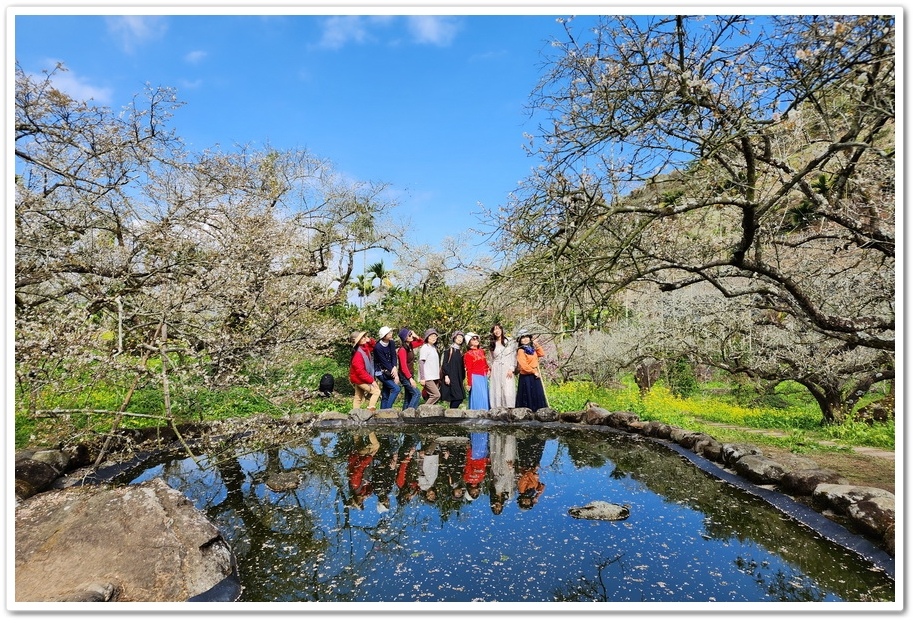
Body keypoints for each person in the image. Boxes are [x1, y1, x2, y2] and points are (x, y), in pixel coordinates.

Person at [514, 330, 548, 411]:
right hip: (526, 377)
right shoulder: (521, 350)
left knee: (537, 395)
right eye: (523, 338)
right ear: (520, 340)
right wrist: (534, 371)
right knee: (528, 397)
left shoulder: (531, 349)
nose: (525, 339)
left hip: (534, 375)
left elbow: (541, 354)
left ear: (530, 338)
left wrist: (536, 344)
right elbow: (524, 365)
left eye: (527, 337)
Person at [349, 330, 381, 412]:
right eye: (362, 337)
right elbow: (360, 372)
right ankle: (371, 410)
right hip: (359, 379)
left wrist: (369, 340)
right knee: (376, 391)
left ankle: (355, 413)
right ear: (357, 341)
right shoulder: (358, 355)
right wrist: (372, 381)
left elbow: (374, 346)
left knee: (358, 397)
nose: (364, 338)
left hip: (359, 378)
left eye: (364, 336)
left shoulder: (364, 348)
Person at [488, 324, 517, 408]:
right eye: (494, 329)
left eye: (498, 329)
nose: (497, 331)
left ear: (501, 330)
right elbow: (491, 359)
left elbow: (513, 355)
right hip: (496, 367)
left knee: (508, 387)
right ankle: (497, 407)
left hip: (507, 366)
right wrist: (490, 369)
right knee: (497, 387)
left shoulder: (509, 341)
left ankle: (509, 406)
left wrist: (512, 368)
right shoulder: (492, 344)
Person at [373, 326, 401, 410]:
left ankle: (382, 412)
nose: (391, 334)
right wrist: (395, 374)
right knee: (396, 388)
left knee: (385, 393)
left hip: (390, 370)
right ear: (384, 336)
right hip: (380, 371)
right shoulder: (378, 347)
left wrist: (394, 367)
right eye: (389, 333)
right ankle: (388, 410)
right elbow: (383, 361)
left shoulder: (391, 343)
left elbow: (393, 356)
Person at [463, 332, 490, 410]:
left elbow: (485, 364)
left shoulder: (482, 351)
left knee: (485, 396)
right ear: (469, 342)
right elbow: (469, 370)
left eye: (477, 338)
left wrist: (488, 370)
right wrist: (469, 383)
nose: (476, 340)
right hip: (475, 378)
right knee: (478, 396)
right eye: (473, 339)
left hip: (484, 377)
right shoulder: (468, 354)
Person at [440, 330, 467, 408]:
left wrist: (463, 378)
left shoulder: (460, 351)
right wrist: (446, 375)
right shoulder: (449, 350)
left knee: (457, 398)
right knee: (458, 397)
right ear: (454, 338)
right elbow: (445, 363)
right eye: (458, 337)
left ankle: (450, 414)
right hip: (451, 377)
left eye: (462, 337)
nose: (460, 339)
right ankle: (451, 413)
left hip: (458, 378)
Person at [397, 328, 423, 409]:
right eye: (410, 335)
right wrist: (410, 379)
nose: (412, 336)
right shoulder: (402, 350)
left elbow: (421, 342)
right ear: (405, 338)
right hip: (405, 376)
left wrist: (416, 335)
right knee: (416, 393)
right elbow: (403, 367)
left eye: (411, 334)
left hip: (409, 374)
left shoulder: (410, 346)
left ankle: (404, 416)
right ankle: (410, 413)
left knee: (408, 398)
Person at [417, 328, 441, 404]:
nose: (434, 338)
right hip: (428, 377)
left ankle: (429, 414)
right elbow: (421, 362)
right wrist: (422, 378)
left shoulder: (434, 348)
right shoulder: (425, 348)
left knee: (431, 396)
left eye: (435, 336)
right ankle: (423, 411)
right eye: (432, 336)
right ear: (427, 337)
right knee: (436, 395)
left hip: (434, 376)